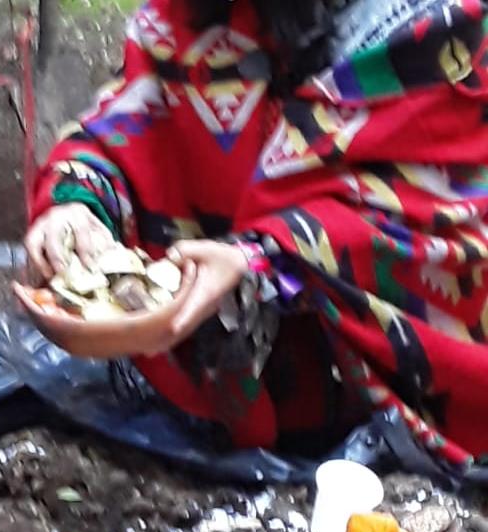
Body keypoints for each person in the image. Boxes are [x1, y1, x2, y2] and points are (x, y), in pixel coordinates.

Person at [25, 0, 488, 469]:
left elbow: (444, 223)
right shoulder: (186, 16)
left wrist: (265, 263)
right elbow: (127, 130)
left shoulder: (437, 33)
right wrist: (78, 203)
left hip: (388, 428)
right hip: (217, 418)